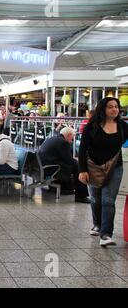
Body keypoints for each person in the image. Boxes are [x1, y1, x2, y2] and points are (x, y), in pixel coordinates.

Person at [78, 97, 128, 247]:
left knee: (108, 200)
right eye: (110, 107)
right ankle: (97, 224)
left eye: (116, 107)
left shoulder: (123, 127)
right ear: (103, 109)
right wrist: (82, 170)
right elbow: (82, 149)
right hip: (93, 167)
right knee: (95, 198)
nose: (114, 109)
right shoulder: (92, 127)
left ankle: (106, 234)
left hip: (114, 167)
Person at [37, 127, 89, 202]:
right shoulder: (63, 142)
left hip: (42, 167)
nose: (72, 140)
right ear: (69, 135)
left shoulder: (53, 138)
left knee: (72, 165)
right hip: (49, 169)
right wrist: (80, 164)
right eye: (72, 137)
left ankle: (59, 188)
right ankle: (81, 196)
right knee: (78, 167)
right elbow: (69, 160)